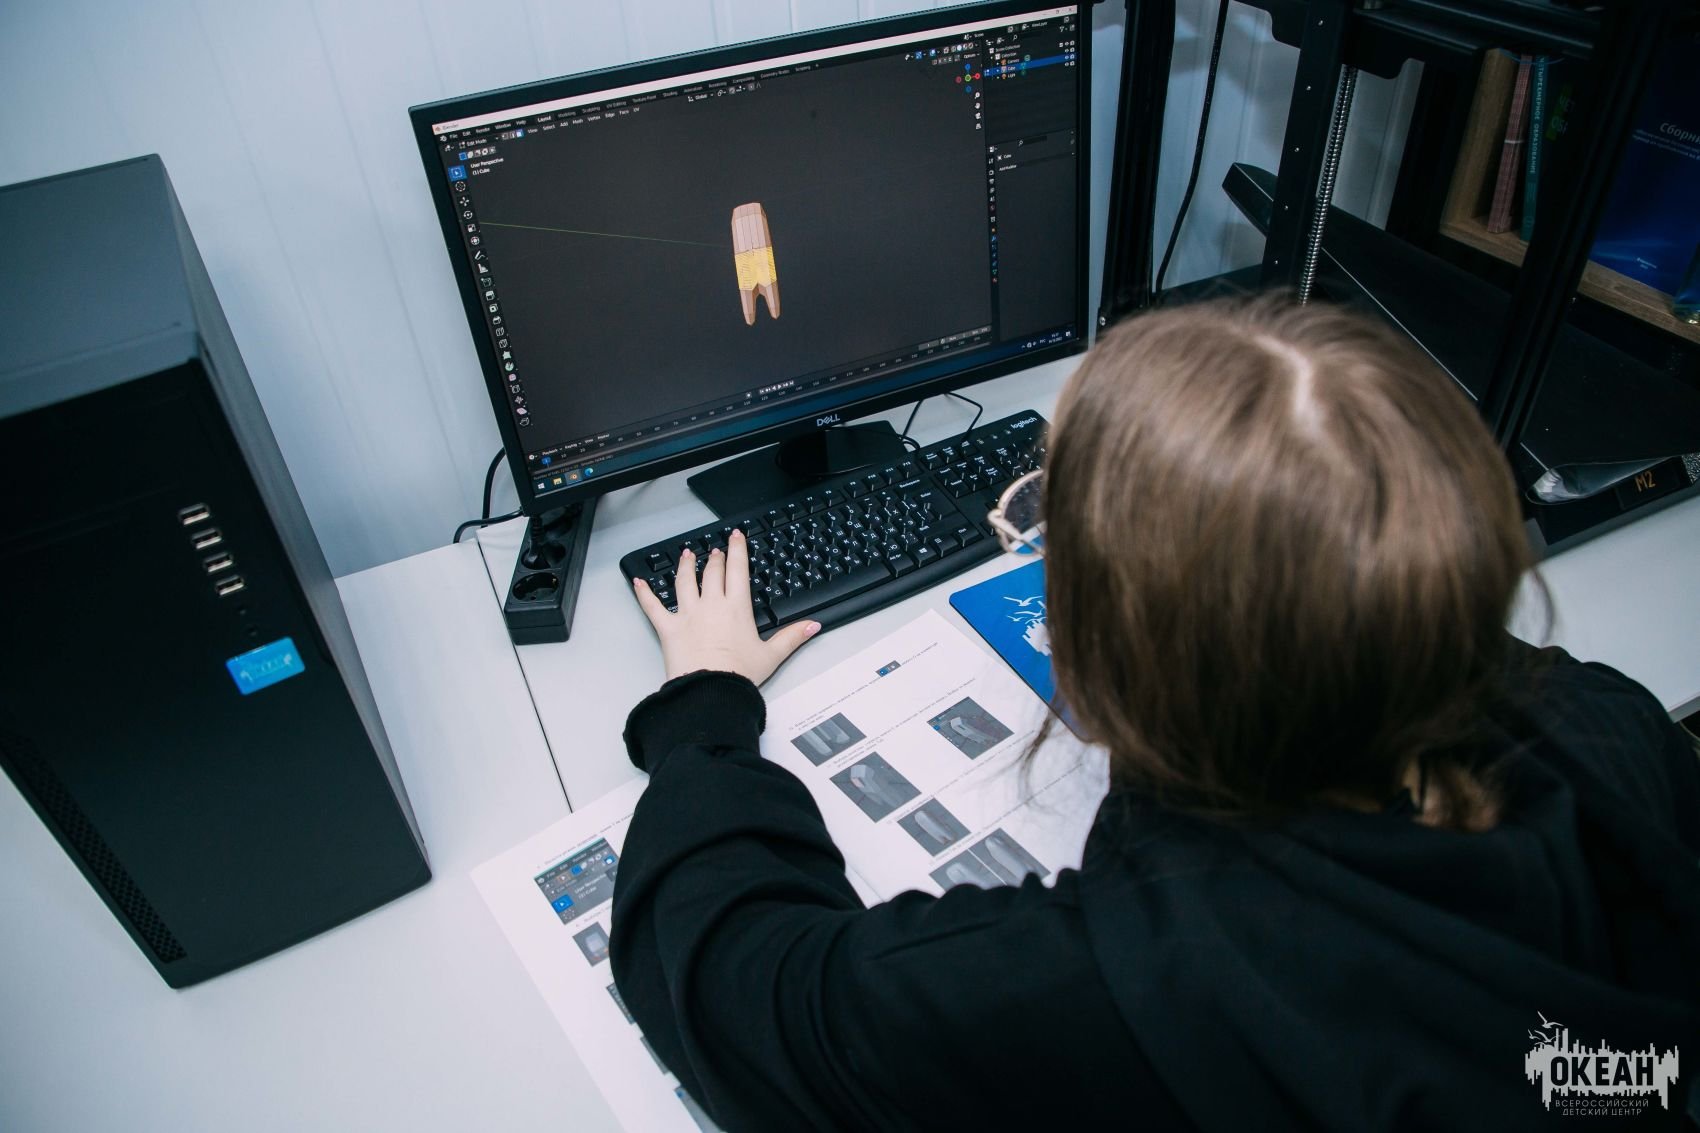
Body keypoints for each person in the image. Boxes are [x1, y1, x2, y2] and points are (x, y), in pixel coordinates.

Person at [613, 296, 1700, 1130]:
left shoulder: (1117, 981)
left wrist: (700, 706)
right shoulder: (1612, 725)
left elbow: (740, 987)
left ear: (1115, 663)